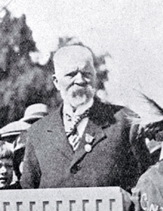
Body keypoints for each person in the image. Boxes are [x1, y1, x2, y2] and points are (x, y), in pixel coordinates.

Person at [21, 44, 152, 190]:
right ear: (56, 82)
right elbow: (28, 195)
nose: (80, 80)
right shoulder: (38, 132)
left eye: (87, 74)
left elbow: (146, 184)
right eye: (71, 74)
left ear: (95, 77)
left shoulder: (123, 122)